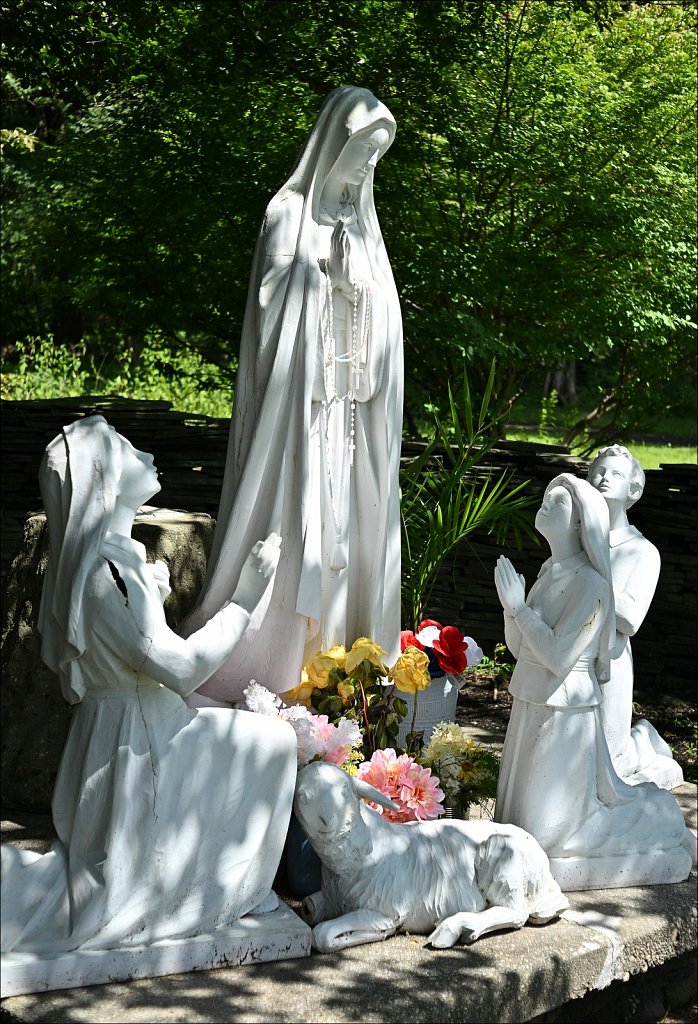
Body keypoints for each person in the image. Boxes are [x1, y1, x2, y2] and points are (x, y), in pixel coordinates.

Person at [1, 416, 297, 955]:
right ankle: (229, 894)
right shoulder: (105, 575)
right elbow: (181, 669)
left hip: (123, 726)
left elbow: (130, 645)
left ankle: (220, 883)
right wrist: (243, 600)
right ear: (107, 477)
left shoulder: (104, 566)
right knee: (277, 742)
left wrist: (150, 597)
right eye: (126, 446)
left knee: (257, 736)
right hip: (142, 742)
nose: (145, 452)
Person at [180, 86, 403, 704]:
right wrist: (323, 277)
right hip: (300, 418)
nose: (366, 168)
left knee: (346, 540)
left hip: (349, 415)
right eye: (360, 152)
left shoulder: (364, 228)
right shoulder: (288, 214)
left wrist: (362, 294)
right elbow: (268, 314)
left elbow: (385, 327)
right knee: (299, 529)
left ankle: (336, 675)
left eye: (376, 158)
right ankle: (279, 672)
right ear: (334, 143)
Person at [493, 473, 694, 891]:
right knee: (513, 826)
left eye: (559, 501)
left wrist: (519, 608)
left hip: (565, 712)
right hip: (531, 701)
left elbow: (559, 656)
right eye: (546, 496)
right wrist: (512, 611)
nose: (546, 503)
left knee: (547, 840)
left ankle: (658, 820)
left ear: (583, 523)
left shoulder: (593, 585)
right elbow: (520, 649)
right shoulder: (550, 573)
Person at [587, 444, 683, 788]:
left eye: (615, 474)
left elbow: (629, 620)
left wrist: (590, 573)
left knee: (612, 764)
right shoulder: (575, 542)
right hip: (570, 655)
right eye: (599, 471)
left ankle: (643, 740)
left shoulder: (642, 552)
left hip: (609, 662)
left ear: (634, 489)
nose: (604, 478)